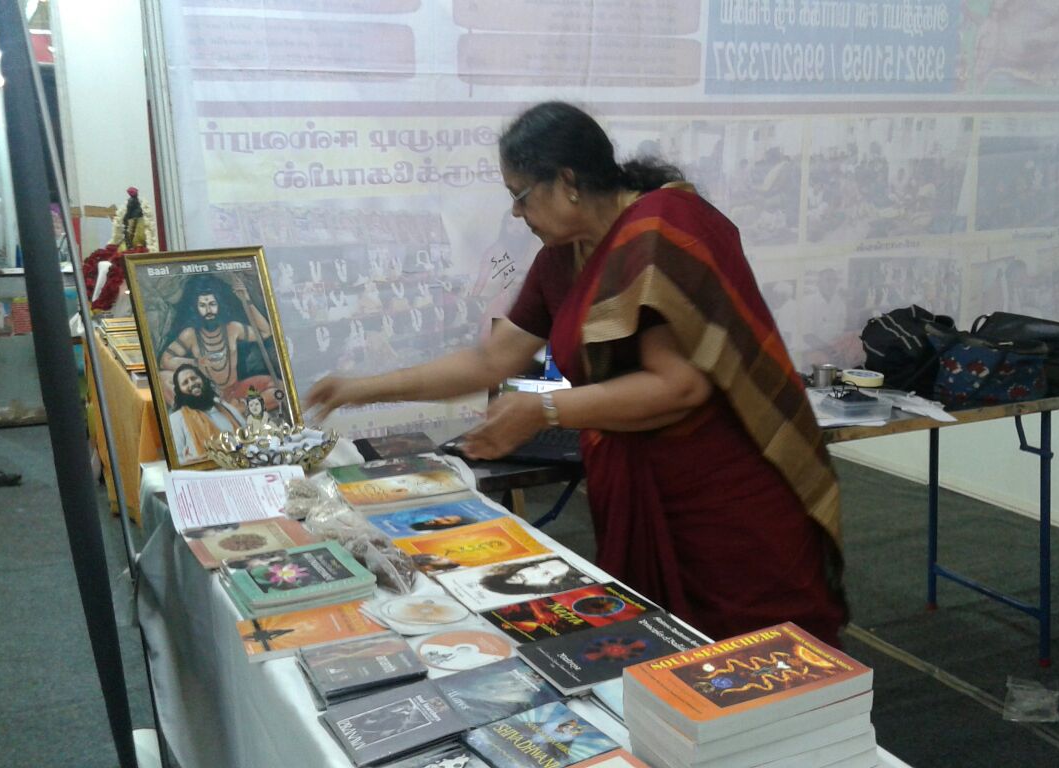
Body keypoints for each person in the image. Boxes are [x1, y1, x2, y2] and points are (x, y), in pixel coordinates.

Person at [306, 101, 847, 644]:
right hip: (638, 483)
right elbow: (491, 360)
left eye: (520, 195)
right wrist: (362, 389)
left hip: (721, 495)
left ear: (566, 181)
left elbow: (681, 386)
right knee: (658, 655)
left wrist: (544, 409)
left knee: (759, 659)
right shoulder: (563, 257)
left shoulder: (662, 229)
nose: (516, 213)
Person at [160, 274, 276, 405]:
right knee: (162, 378)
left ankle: (240, 409)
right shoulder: (190, 334)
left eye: (212, 304)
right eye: (202, 305)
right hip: (206, 393)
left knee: (278, 387)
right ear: (196, 308)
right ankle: (225, 408)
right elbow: (165, 361)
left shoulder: (232, 328)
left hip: (234, 390)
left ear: (219, 305)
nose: (208, 310)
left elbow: (265, 332)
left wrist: (247, 301)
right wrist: (196, 362)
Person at [168, 363, 247, 462]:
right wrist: (189, 462)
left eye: (194, 378)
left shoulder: (224, 407)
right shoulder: (176, 418)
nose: (192, 384)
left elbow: (247, 436)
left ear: (203, 379)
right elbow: (176, 459)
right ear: (179, 391)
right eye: (185, 383)